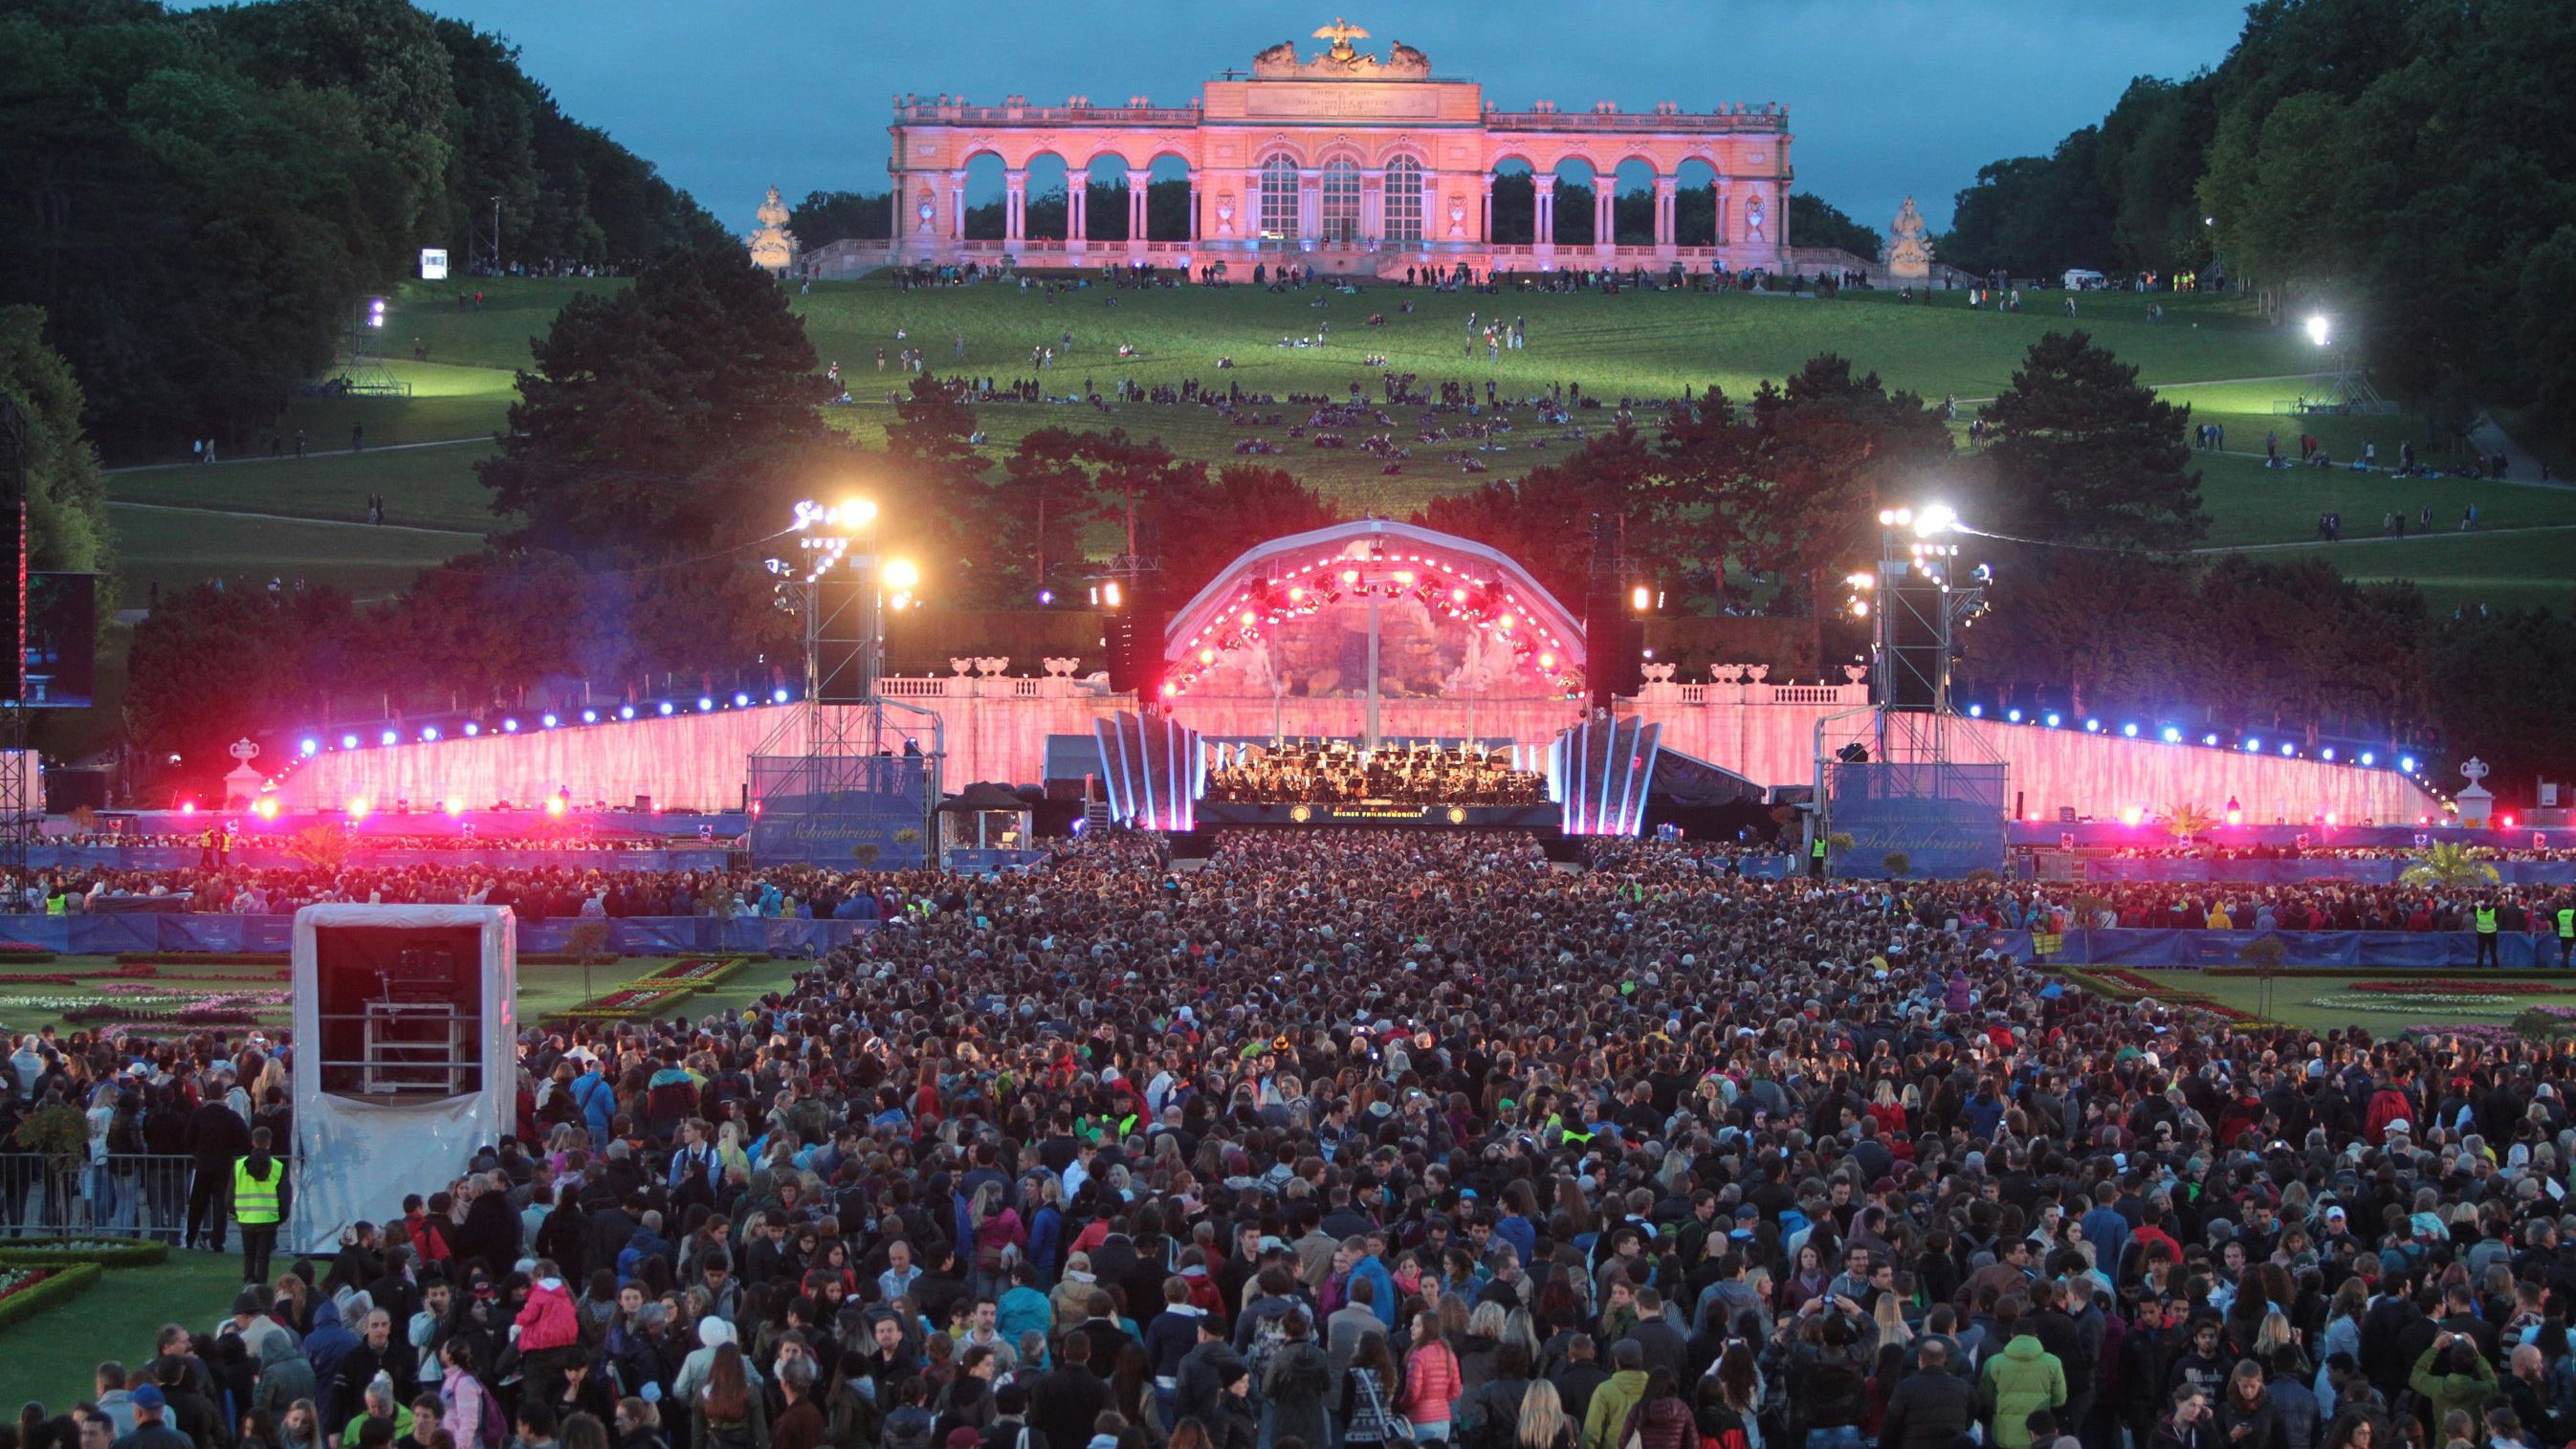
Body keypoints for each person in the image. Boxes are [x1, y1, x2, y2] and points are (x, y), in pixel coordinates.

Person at [235, 1125, 290, 1284]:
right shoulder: (277, 1167)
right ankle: (261, 1285)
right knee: (263, 1257)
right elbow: (285, 1196)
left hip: (246, 1218)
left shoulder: (239, 1166)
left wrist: (236, 1212)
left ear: (253, 1142)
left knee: (249, 1255)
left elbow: (230, 1194)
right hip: (268, 1218)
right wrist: (281, 1217)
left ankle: (248, 1282)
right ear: (269, 1142)